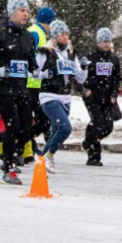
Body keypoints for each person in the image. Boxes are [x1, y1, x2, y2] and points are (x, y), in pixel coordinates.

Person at [0, 0, 38, 186]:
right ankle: (9, 167)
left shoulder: (28, 36)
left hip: (21, 88)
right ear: (12, 12)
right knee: (13, 126)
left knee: (26, 127)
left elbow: (30, 58)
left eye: (27, 11)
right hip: (2, 89)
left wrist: (35, 69)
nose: (25, 14)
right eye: (22, 10)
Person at [33, 19, 88, 173]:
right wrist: (45, 73)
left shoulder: (71, 54)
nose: (66, 37)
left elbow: (80, 79)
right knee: (65, 128)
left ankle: (41, 163)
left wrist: (84, 68)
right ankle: (50, 155)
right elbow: (33, 73)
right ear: (55, 36)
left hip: (65, 97)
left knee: (57, 129)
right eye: (62, 34)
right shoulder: (45, 52)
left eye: (67, 34)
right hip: (48, 96)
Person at [82, 27, 122, 166]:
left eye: (109, 41)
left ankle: (88, 140)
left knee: (108, 127)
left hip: (107, 98)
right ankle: (94, 156)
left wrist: (114, 94)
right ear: (98, 42)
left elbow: (117, 79)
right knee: (98, 124)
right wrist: (85, 89)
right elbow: (81, 76)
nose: (106, 44)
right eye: (104, 41)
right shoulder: (90, 57)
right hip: (93, 97)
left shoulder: (113, 59)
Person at [26, 7, 56, 156]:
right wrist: (38, 73)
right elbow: (29, 56)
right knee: (39, 118)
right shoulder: (35, 33)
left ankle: (35, 145)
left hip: (37, 83)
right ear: (46, 22)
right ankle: (29, 145)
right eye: (52, 23)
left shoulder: (40, 33)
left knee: (42, 118)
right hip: (30, 83)